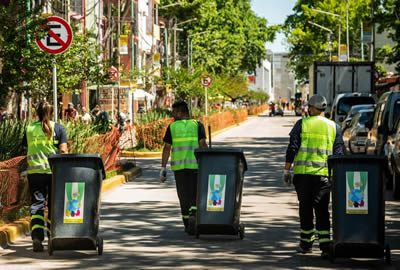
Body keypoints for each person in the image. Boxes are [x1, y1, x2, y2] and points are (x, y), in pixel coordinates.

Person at [282, 94, 344, 259]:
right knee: (322, 210)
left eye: (308, 107)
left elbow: (292, 148)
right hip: (324, 177)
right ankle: (325, 246)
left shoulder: (302, 124)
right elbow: (339, 154)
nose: (307, 109)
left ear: (311, 108)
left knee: (305, 209)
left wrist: (287, 170)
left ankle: (306, 244)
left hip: (303, 176)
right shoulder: (334, 127)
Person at [23, 101, 68, 252]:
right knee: (54, 205)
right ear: (52, 113)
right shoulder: (59, 128)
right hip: (54, 173)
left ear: (37, 112)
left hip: (35, 173)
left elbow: (26, 147)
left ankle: (37, 238)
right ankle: (52, 237)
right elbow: (63, 151)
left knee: (37, 205)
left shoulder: (29, 128)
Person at [160, 101, 208, 234]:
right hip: (196, 166)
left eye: (174, 112)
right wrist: (208, 162)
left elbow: (167, 148)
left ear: (180, 113)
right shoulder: (197, 125)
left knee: (183, 196)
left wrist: (163, 168)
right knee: (195, 193)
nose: (172, 115)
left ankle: (187, 224)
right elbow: (203, 145)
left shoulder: (172, 127)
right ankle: (194, 214)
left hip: (179, 168)